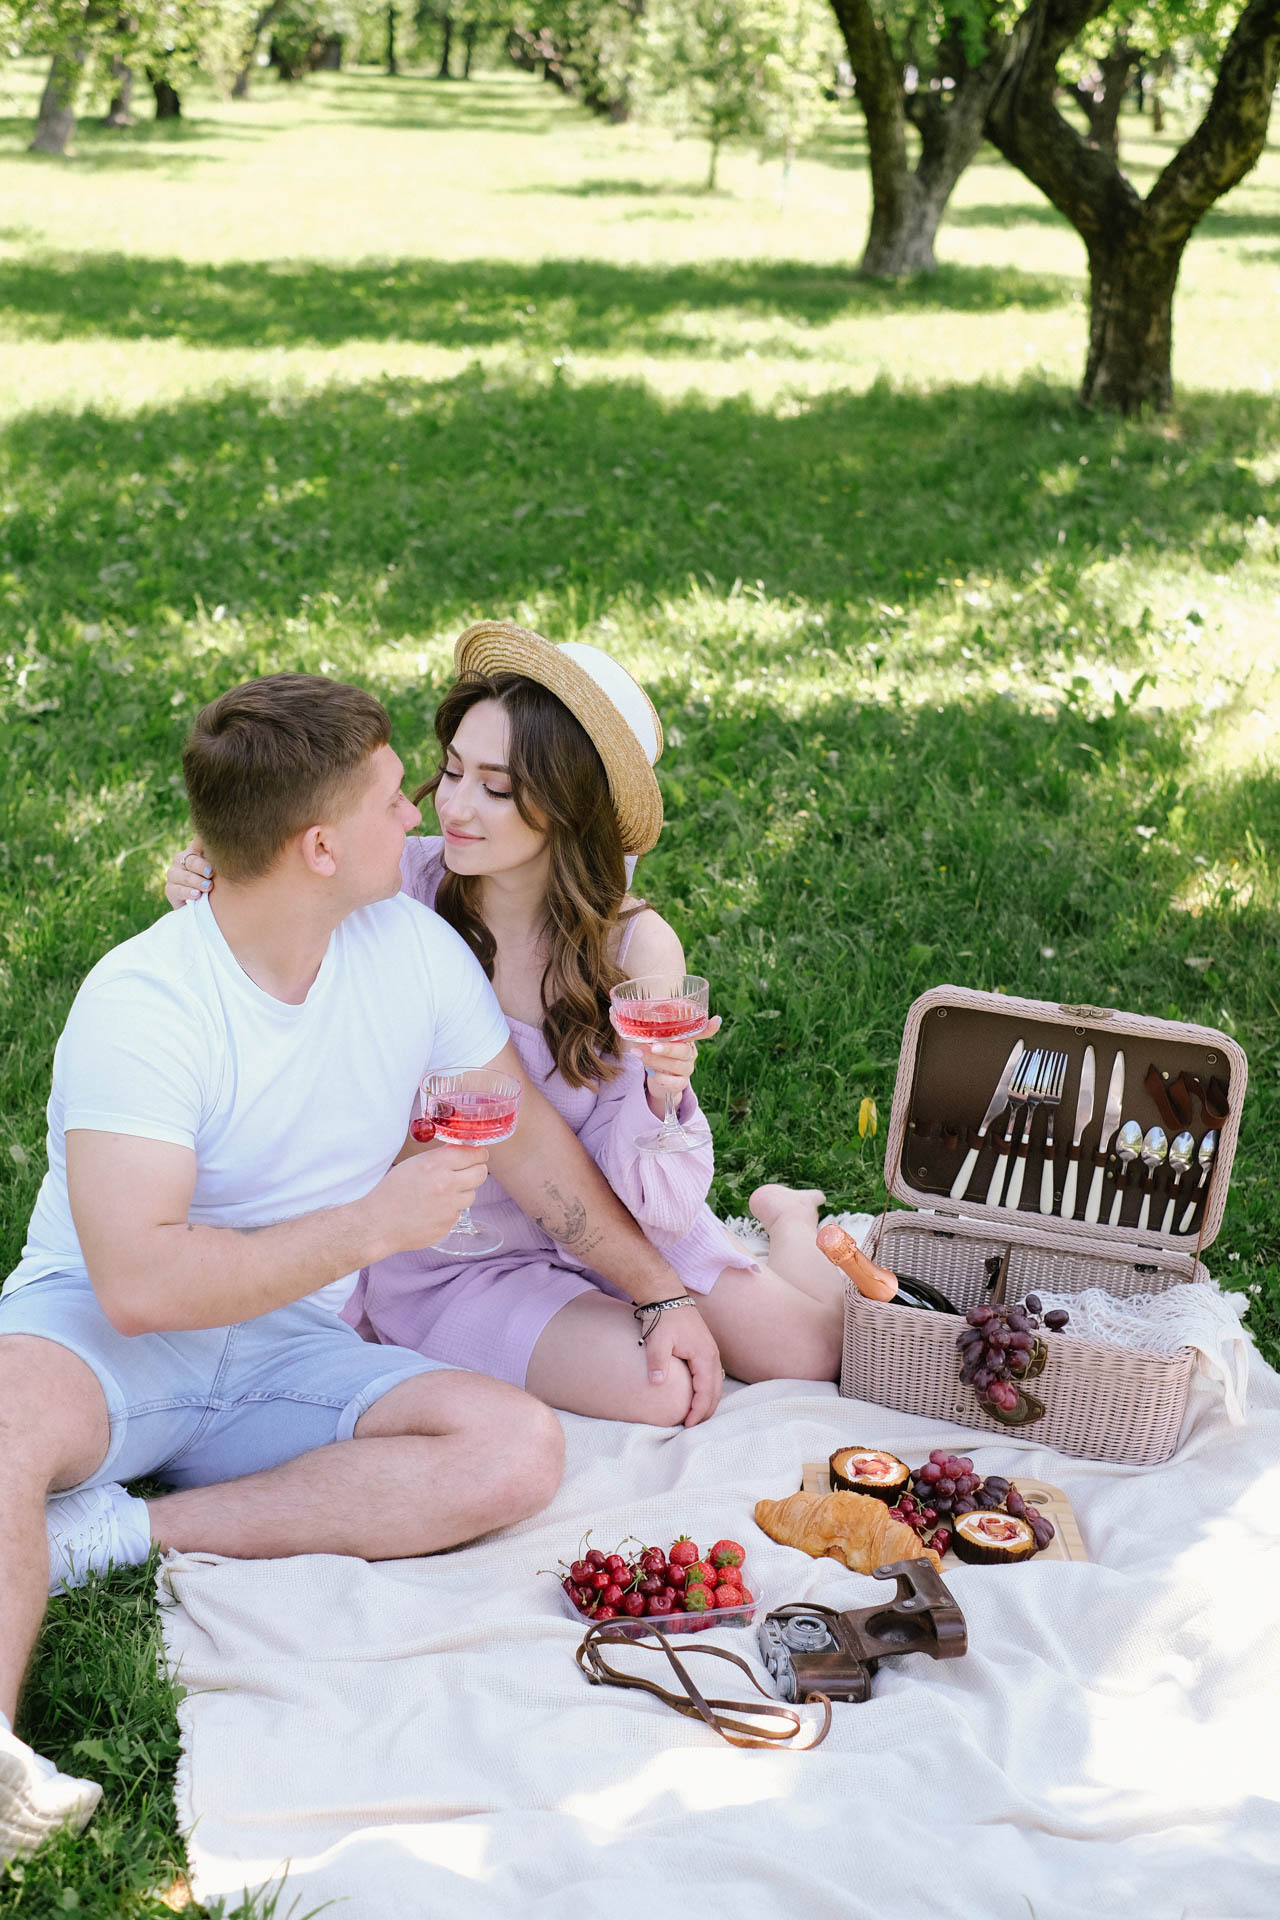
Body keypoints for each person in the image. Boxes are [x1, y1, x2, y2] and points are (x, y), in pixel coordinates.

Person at [0, 671, 716, 1864]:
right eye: (398, 796)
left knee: (512, 1446)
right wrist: (370, 1228)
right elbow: (137, 1285)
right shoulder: (144, 1000)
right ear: (319, 844)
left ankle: (119, 1534)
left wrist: (659, 1291)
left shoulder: (408, 952)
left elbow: (535, 1153)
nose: (424, 813)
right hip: (103, 1340)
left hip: (290, 1353)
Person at [165, 624, 849, 1424]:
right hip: (461, 1254)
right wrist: (209, 872)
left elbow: (647, 1184)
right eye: (451, 771)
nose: (451, 806)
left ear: (566, 807)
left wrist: (661, 1091)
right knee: (665, 1388)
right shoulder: (400, 887)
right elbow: (281, 882)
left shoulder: (632, 946)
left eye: (493, 788)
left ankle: (789, 1219)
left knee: (815, 1350)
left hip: (614, 1214)